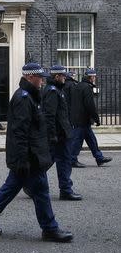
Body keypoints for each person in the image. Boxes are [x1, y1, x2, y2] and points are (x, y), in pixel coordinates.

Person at [0, 62, 73, 243]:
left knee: (10, 188)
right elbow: (19, 132)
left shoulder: (31, 96)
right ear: (29, 77)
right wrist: (22, 159)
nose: (43, 81)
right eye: (39, 78)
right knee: (41, 190)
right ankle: (50, 228)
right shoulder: (23, 98)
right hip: (29, 156)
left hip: (30, 154)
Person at [42, 65, 81, 200]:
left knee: (52, 161)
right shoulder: (53, 91)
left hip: (62, 133)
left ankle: (30, 183)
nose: (65, 77)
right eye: (63, 75)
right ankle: (65, 190)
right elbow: (49, 115)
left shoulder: (58, 89)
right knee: (62, 161)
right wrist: (52, 135)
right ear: (57, 76)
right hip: (59, 135)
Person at [70, 68, 112, 167]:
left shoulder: (78, 86)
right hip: (82, 119)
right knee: (77, 141)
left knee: (91, 139)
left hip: (79, 118)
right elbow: (90, 105)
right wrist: (96, 119)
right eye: (94, 77)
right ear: (91, 77)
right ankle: (72, 159)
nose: (94, 79)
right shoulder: (87, 88)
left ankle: (99, 158)